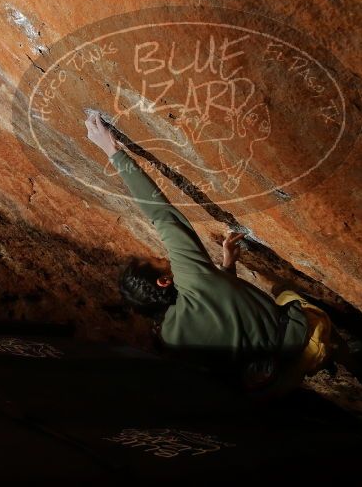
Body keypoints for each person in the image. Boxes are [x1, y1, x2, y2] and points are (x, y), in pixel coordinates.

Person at [84, 112, 336, 394]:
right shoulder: (190, 279)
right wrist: (112, 152)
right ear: (164, 281)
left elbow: (218, 315)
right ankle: (341, 346)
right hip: (304, 336)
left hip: (276, 379)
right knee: (285, 290)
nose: (165, 259)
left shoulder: (170, 336)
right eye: (159, 262)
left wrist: (227, 268)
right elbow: (164, 217)